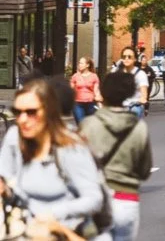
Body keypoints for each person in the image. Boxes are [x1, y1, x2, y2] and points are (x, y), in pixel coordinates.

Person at [0, 78, 105, 237]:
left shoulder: (70, 146)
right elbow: (5, 177)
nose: (22, 119)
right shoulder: (14, 137)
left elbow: (94, 198)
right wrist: (5, 188)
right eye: (17, 112)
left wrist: (53, 214)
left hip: (61, 231)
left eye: (31, 112)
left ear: (49, 111)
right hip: (22, 230)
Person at [80, 72, 153, 241]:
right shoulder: (139, 128)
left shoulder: (88, 125)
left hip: (96, 200)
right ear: (128, 94)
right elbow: (145, 170)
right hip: (127, 200)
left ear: (103, 94)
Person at [115, 46, 150, 119]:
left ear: (135, 59)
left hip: (134, 106)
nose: (126, 59)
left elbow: (144, 94)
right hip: (119, 107)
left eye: (129, 57)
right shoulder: (117, 73)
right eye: (124, 57)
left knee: (135, 111)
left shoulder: (140, 74)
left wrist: (143, 99)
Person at [70, 57, 102, 124]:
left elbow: (96, 91)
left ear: (87, 65)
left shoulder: (94, 76)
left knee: (89, 126)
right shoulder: (75, 76)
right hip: (78, 104)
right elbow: (70, 90)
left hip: (91, 104)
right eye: (79, 63)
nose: (79, 65)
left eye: (81, 63)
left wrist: (99, 103)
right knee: (81, 125)